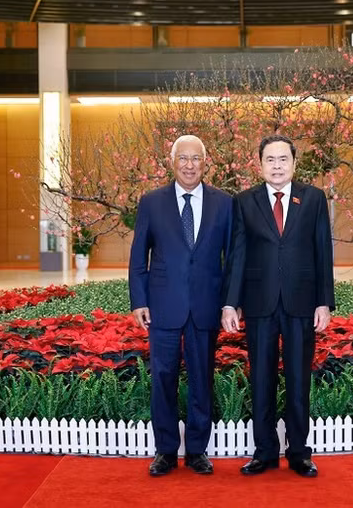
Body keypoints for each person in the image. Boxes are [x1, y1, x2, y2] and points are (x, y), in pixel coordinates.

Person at [222, 135, 335, 478]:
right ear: (259, 165)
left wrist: (324, 302)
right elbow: (237, 255)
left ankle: (300, 453)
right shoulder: (244, 201)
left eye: (282, 159)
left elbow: (322, 252)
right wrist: (230, 303)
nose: (276, 165)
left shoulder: (313, 198)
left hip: (302, 303)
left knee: (299, 381)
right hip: (260, 304)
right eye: (269, 159)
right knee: (261, 380)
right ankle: (265, 452)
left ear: (294, 163)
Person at [128, 135, 232, 477]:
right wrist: (139, 300)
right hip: (163, 306)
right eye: (183, 158)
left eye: (196, 158)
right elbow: (138, 256)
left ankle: (198, 451)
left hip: (205, 305)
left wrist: (230, 303)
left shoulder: (224, 203)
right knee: (163, 378)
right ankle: (166, 451)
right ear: (172, 162)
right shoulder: (151, 202)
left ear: (205, 162)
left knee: (202, 379)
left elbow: (232, 259)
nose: (189, 164)